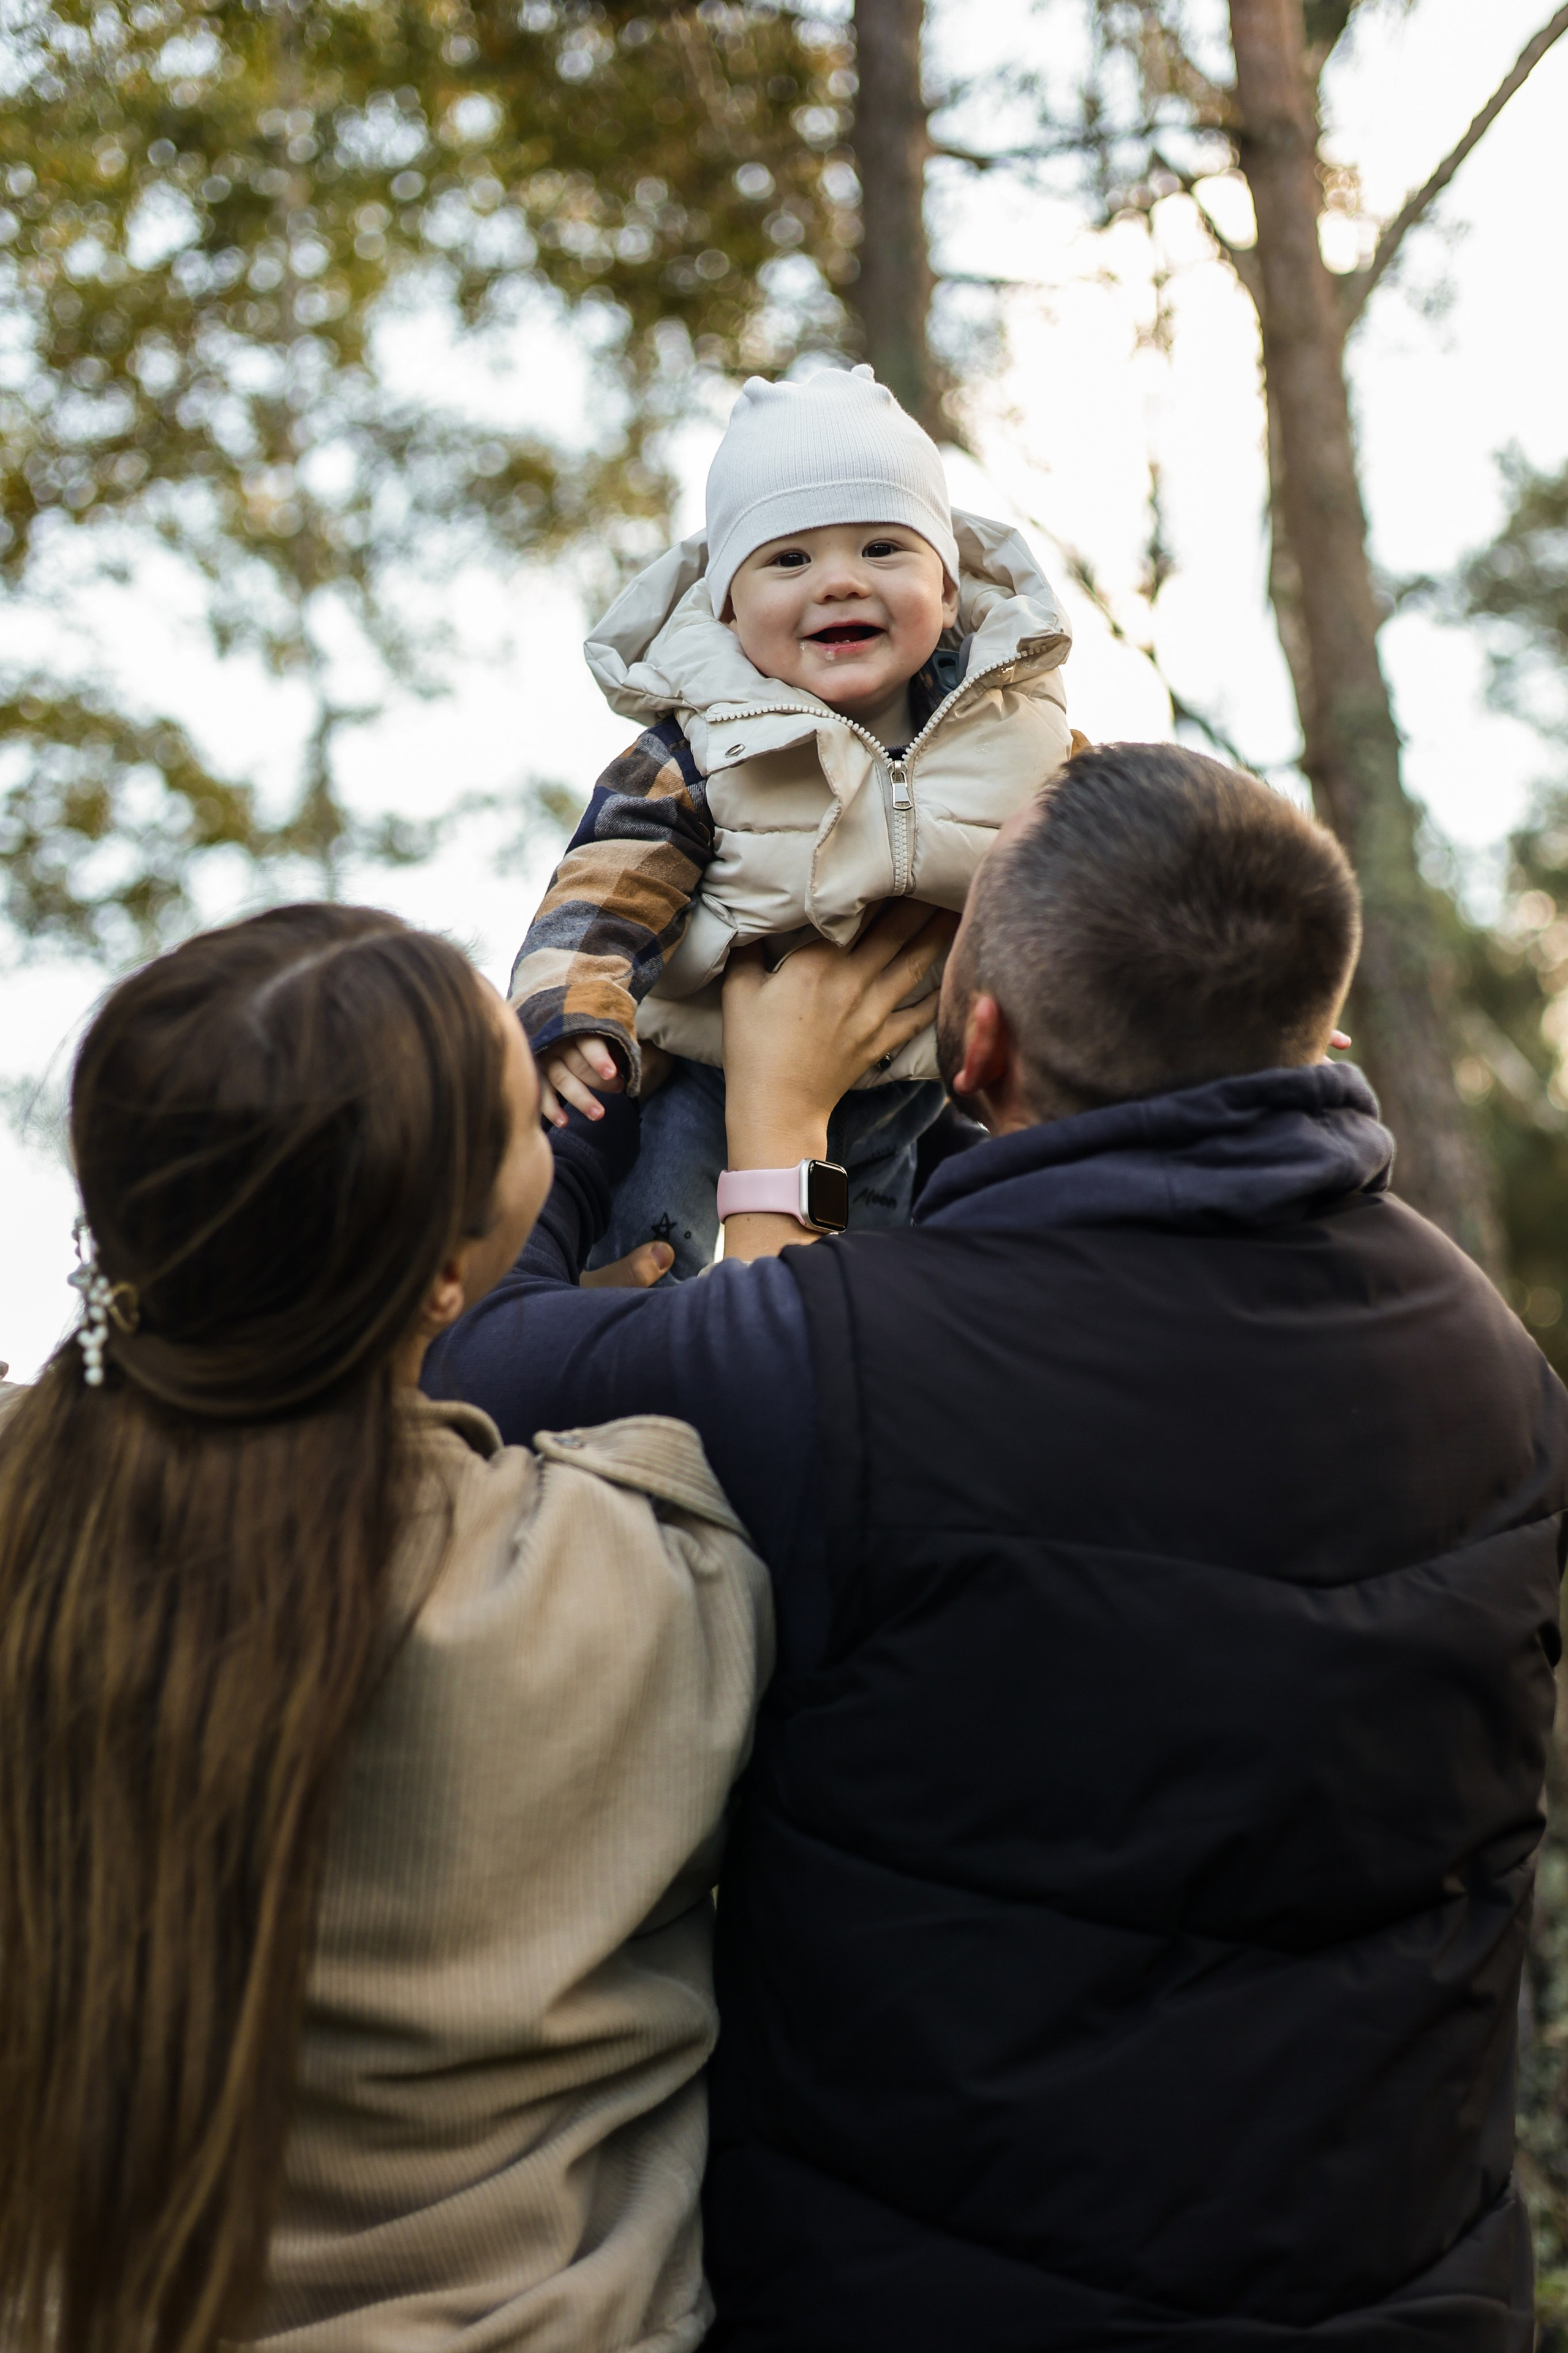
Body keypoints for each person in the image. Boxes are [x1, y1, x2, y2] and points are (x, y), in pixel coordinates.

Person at [429, 742, 1568, 2351]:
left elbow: (465, 1348)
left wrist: (757, 1109)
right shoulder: (1493, 1366)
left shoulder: (837, 1367)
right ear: (1317, 1024)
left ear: (977, 1043)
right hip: (1416, 2308)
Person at [0, 904, 772, 2353]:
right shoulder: (626, 1578)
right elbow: (802, 1398)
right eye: (519, 1100)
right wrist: (781, 1131)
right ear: (444, 1277)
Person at [508, 361, 1077, 1280]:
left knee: (892, 1271)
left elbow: (1129, 866)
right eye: (790, 559)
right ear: (728, 606)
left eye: (884, 548)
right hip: (712, 1061)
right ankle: (636, 1321)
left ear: (947, 577)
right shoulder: (706, 743)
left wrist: (1216, 988)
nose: (841, 582)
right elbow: (605, 883)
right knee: (664, 1228)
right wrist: (568, 1014)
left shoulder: (1014, 728)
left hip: (913, 1081)